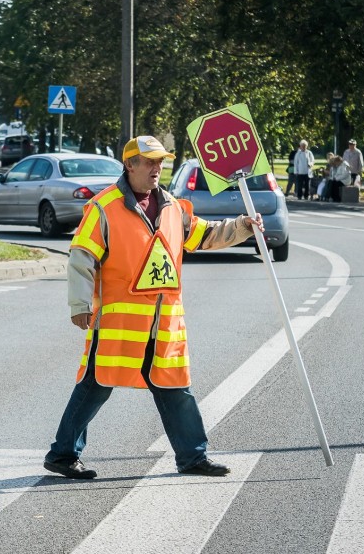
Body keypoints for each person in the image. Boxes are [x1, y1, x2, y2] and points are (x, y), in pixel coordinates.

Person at [43, 135, 264, 480]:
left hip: (164, 325)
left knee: (176, 388)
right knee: (95, 385)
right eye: (149, 162)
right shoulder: (105, 207)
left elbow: (204, 235)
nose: (157, 168)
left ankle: (193, 457)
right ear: (129, 165)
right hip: (119, 324)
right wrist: (80, 304)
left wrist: (242, 228)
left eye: (161, 162)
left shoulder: (172, 207)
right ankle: (62, 454)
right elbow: (82, 257)